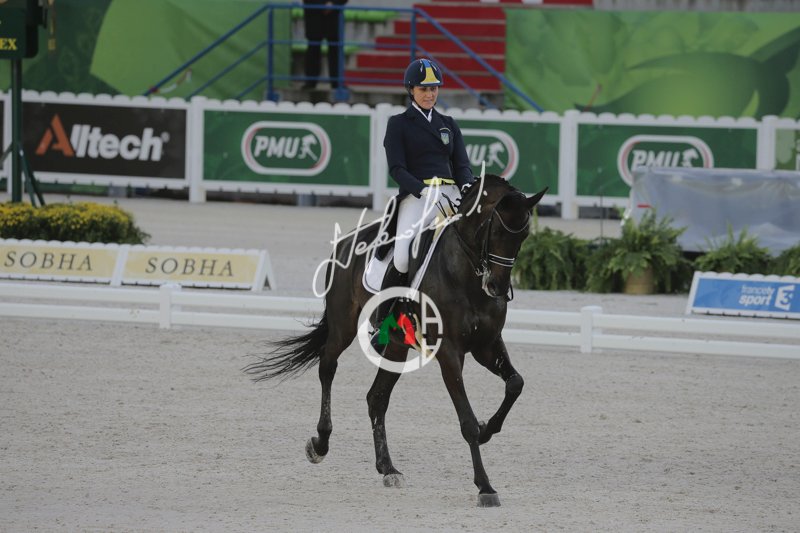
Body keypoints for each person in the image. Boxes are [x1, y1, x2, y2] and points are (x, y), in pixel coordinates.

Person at [373, 58, 474, 333]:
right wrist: (422, 189)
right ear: (411, 90)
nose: (430, 94)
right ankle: (383, 323)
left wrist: (467, 187)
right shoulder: (399, 124)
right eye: (423, 89)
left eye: (434, 88)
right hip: (418, 197)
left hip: (450, 194)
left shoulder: (448, 124)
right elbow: (396, 168)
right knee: (402, 257)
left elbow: (462, 165)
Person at [302, 0, 348, 89]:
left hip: (334, 16)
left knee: (335, 50)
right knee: (313, 49)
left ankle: (337, 82)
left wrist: (333, 4)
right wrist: (323, 5)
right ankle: (310, 82)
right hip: (314, 15)